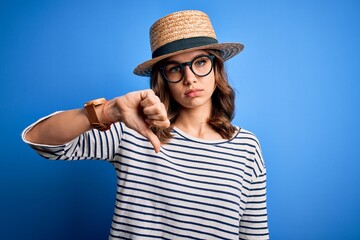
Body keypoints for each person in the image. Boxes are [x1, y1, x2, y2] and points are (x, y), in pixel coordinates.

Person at [22, 10, 269, 240]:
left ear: (217, 68)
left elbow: (254, 234)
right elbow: (40, 140)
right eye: (175, 68)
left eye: (201, 62)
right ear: (162, 78)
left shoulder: (247, 147)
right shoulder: (133, 129)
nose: (190, 78)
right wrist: (109, 111)